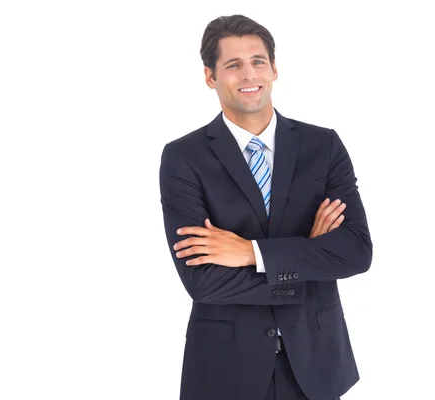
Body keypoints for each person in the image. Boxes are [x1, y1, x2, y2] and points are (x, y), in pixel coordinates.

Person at [159, 14, 373, 400]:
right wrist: (308, 254)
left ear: (274, 69)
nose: (248, 75)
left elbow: (356, 251)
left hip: (315, 365)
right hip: (225, 370)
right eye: (233, 65)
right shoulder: (183, 158)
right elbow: (202, 281)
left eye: (258, 61)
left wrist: (249, 252)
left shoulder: (323, 146)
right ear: (210, 76)